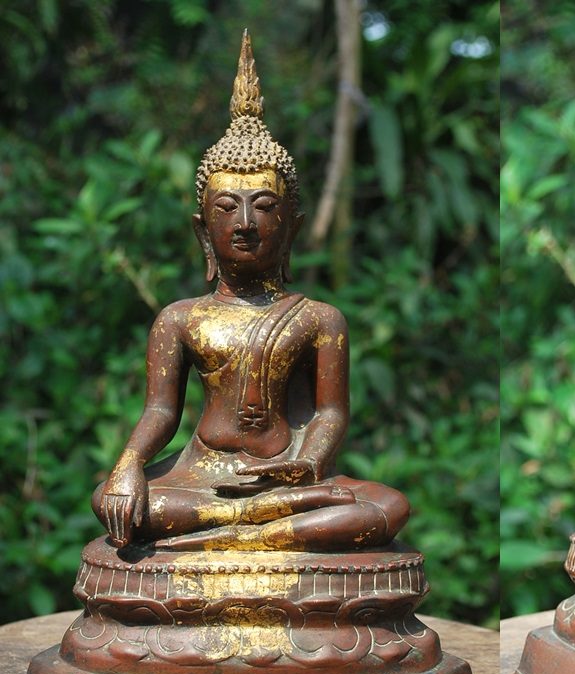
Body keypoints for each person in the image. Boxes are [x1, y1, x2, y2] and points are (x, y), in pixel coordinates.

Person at [92, 32, 408, 551]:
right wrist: (128, 465)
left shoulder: (320, 319)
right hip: (200, 475)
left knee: (388, 507)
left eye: (263, 206)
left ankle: (239, 525)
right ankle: (252, 521)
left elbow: (330, 414)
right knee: (112, 499)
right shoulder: (179, 319)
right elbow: (160, 413)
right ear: (203, 231)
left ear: (291, 227)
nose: (244, 223)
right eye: (226, 209)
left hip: (289, 475)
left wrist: (307, 464)